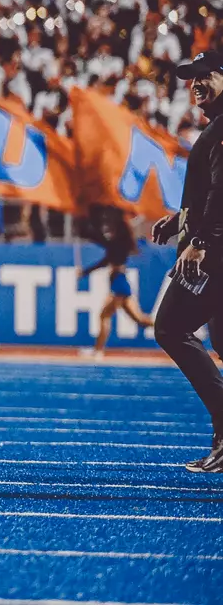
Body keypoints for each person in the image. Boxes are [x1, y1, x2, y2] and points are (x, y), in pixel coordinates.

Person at [150, 51, 223, 471]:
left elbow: (222, 194)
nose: (195, 84)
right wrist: (181, 220)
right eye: (190, 78)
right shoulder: (216, 128)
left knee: (171, 327)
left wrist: (198, 240)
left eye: (204, 76)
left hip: (215, 252)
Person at [78, 214, 154, 360]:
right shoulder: (120, 244)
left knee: (104, 315)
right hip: (120, 281)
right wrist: (85, 272)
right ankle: (172, 328)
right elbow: (104, 260)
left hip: (118, 283)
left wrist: (82, 223)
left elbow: (96, 239)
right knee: (140, 320)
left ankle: (98, 351)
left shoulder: (117, 243)